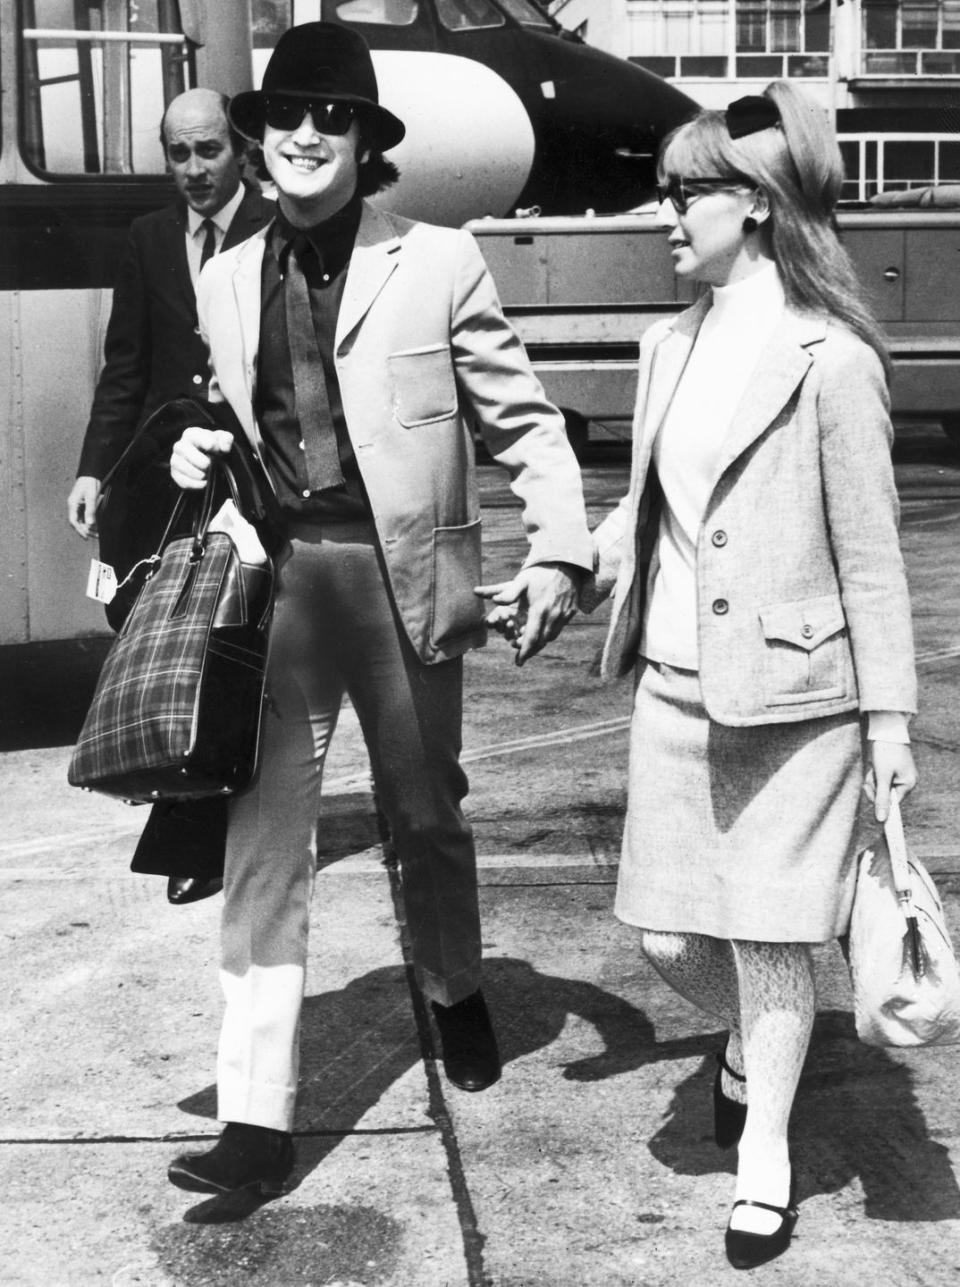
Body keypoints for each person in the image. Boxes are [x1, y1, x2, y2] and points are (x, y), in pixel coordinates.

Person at [164, 22, 593, 1198]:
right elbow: (237, 417)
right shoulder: (222, 275)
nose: (307, 135)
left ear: (366, 143)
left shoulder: (441, 261)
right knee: (263, 845)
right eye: (286, 117)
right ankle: (256, 1119)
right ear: (256, 141)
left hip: (408, 596)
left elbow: (527, 427)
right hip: (284, 591)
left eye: (333, 118)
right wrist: (202, 447)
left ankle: (452, 986)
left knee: (426, 816)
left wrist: (561, 553)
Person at [579, 83, 917, 1269]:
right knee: (671, 940)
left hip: (800, 701)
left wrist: (889, 721)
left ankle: (764, 1152)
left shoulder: (832, 359)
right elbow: (651, 508)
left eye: (684, 193)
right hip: (673, 685)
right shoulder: (664, 342)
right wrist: (592, 556)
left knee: (774, 940)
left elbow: (872, 557)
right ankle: (748, 1044)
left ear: (758, 207)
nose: (662, 213)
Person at [67, 88, 273, 905]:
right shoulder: (148, 238)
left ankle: (200, 832)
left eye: (209, 151)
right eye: (178, 153)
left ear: (238, 151)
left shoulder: (275, 227)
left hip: (249, 475)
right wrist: (95, 469)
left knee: (231, 648)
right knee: (167, 642)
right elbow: (125, 369)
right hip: (164, 478)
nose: (194, 169)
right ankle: (193, 807)